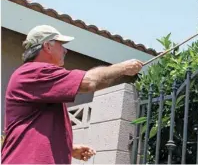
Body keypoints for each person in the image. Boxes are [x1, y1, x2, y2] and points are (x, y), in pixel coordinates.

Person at [1, 25, 143, 164]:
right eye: (61, 44)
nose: (65, 50)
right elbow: (90, 82)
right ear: (47, 46)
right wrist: (123, 68)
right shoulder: (35, 72)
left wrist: (70, 148)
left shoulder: (41, 81)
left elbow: (36, 127)